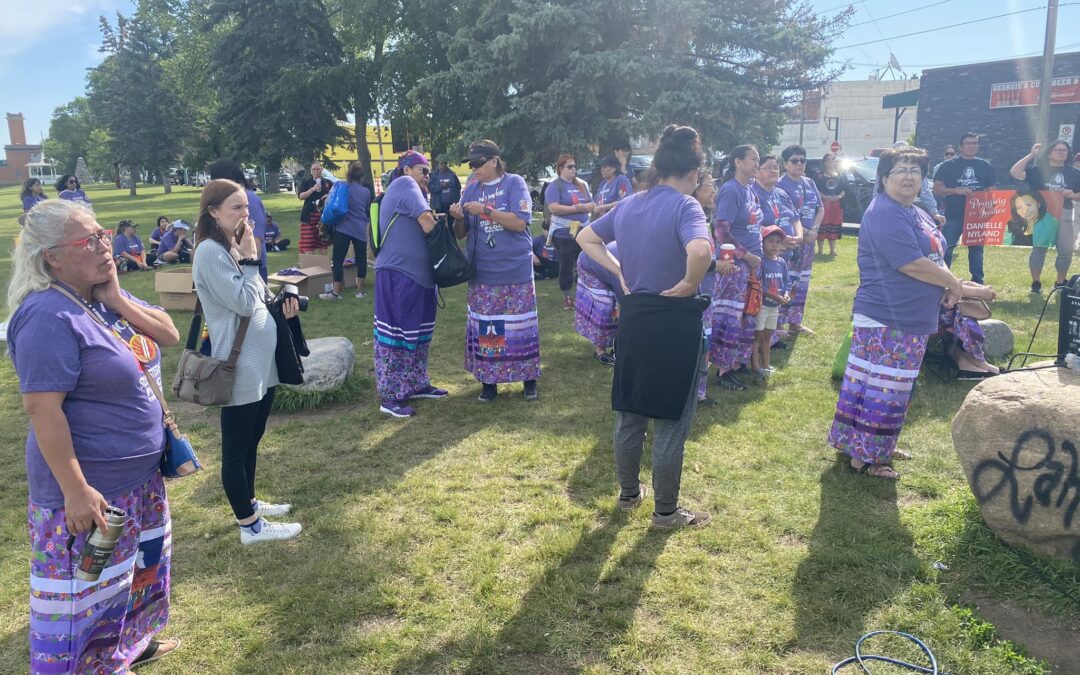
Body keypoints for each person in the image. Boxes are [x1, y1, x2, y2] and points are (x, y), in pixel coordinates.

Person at [8, 199, 182, 672]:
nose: (105, 246)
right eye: (88, 241)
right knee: (82, 601)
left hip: (140, 481)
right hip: (92, 492)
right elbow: (43, 410)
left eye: (103, 234)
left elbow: (168, 334)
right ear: (52, 258)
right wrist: (76, 491)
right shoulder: (47, 315)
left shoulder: (98, 299)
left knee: (133, 577)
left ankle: (126, 650)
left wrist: (119, 299)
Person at [577, 124, 714, 529]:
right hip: (674, 321)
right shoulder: (686, 206)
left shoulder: (631, 204)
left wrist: (619, 271)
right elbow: (701, 249)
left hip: (634, 318)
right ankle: (666, 512)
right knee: (671, 420)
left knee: (630, 412)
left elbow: (587, 237)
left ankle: (628, 494)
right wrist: (690, 283)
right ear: (693, 173)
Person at [830, 147, 987, 480]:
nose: (909, 176)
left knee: (889, 386)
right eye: (901, 169)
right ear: (884, 178)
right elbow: (910, 262)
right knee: (883, 387)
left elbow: (935, 257)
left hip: (911, 315)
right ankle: (868, 457)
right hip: (888, 316)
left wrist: (950, 284)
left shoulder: (916, 212)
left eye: (916, 171)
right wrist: (954, 285)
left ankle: (875, 445)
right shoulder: (884, 211)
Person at [192, 179, 302, 543]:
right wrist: (252, 258)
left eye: (246, 206)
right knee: (236, 449)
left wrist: (281, 307)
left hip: (260, 360)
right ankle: (249, 526)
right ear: (213, 212)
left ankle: (250, 502)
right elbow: (241, 302)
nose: (245, 214)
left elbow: (257, 297)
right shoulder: (210, 252)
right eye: (236, 207)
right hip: (236, 364)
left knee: (253, 437)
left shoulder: (231, 247)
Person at [451, 140, 540, 402]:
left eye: (478, 162)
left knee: (522, 327)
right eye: (470, 163)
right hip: (483, 272)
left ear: (494, 161)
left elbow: (519, 222)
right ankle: (489, 382)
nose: (474, 167)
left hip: (515, 269)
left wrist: (486, 210)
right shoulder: (470, 189)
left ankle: (529, 380)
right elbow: (461, 233)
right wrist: (458, 218)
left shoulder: (514, 183)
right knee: (489, 329)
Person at [373, 151, 448, 417]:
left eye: (429, 172)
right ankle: (391, 395)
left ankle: (416, 383)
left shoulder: (413, 191)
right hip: (398, 274)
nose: (428, 176)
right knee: (395, 335)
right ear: (406, 170)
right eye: (423, 171)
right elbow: (427, 223)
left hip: (418, 277)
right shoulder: (405, 185)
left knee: (419, 333)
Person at [709, 144, 762, 391]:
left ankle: (736, 362)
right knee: (729, 315)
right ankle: (722, 369)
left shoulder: (750, 190)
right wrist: (746, 254)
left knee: (746, 314)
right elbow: (721, 230)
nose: (757, 163)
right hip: (734, 265)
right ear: (738, 162)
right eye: (753, 159)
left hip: (750, 265)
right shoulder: (731, 190)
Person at [1009, 140, 1080, 291]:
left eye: (1065, 150)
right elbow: (1015, 172)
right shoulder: (1037, 171)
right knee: (1039, 249)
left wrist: (1073, 195)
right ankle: (1036, 283)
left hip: (1065, 214)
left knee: (1066, 250)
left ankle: (1060, 282)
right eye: (1058, 150)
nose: (1062, 152)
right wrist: (1032, 154)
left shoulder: (1074, 173)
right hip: (1042, 215)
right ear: (1049, 153)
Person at [933, 132, 996, 284]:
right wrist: (957, 191)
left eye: (974, 143)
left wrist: (989, 207)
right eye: (968, 143)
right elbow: (937, 189)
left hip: (977, 215)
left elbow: (992, 190)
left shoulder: (984, 165)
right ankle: (942, 278)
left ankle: (977, 281)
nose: (971, 146)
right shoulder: (948, 165)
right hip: (954, 213)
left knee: (976, 250)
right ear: (961, 146)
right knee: (946, 247)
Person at [777, 144, 822, 336]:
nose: (799, 164)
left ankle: (795, 322)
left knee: (802, 281)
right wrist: (803, 232)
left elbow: (820, 207)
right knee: (785, 280)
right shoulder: (780, 185)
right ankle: (778, 324)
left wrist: (814, 230)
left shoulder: (809, 182)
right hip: (790, 242)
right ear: (785, 164)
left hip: (809, 242)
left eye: (803, 161)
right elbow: (784, 214)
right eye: (794, 161)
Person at [545, 154, 595, 309]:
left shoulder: (582, 184)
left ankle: (586, 293)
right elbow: (553, 207)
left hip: (583, 230)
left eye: (574, 166)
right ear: (560, 169)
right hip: (564, 232)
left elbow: (592, 203)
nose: (574, 169)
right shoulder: (555, 186)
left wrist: (586, 207)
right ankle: (567, 296)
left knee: (586, 262)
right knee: (566, 264)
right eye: (570, 166)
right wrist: (574, 208)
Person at [693, 170, 725, 402]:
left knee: (705, 339)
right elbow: (695, 258)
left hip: (707, 290)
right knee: (700, 341)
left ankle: (699, 391)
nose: (713, 190)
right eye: (708, 185)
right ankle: (696, 392)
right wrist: (717, 266)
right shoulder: (693, 219)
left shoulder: (704, 218)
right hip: (697, 292)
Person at [320, 160, 373, 300]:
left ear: (348, 174)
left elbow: (333, 203)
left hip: (343, 228)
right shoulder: (366, 192)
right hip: (360, 228)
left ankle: (336, 292)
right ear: (361, 176)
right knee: (361, 260)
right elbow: (367, 208)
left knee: (338, 260)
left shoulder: (342, 186)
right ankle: (360, 291)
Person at [209, 158, 270, 280]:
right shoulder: (226, 201)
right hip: (234, 265)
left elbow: (256, 240)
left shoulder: (249, 199)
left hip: (251, 267)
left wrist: (252, 269)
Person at [752, 225, 791, 382]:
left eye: (778, 242)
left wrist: (786, 294)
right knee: (757, 336)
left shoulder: (781, 262)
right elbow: (758, 285)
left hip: (774, 307)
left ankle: (767, 365)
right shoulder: (761, 262)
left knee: (767, 336)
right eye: (770, 241)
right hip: (762, 305)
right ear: (763, 243)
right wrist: (775, 297)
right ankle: (755, 366)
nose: (774, 245)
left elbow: (787, 282)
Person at [574, 242, 622, 365]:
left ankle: (617, 346)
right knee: (605, 308)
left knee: (615, 310)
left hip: (607, 266)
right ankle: (600, 350)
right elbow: (623, 300)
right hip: (589, 264)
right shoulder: (624, 270)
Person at [1006, 190, 1061, 293]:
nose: (1024, 210)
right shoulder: (1013, 223)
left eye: (1028, 205)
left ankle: (1061, 282)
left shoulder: (1052, 221)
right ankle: (1036, 283)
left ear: (1038, 204)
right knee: (1037, 252)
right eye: (1019, 207)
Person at [813, 153, 846, 255]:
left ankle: (832, 250)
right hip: (823, 203)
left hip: (837, 205)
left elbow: (846, 188)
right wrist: (825, 197)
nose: (831, 161)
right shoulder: (818, 175)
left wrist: (839, 197)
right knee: (822, 224)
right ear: (824, 162)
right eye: (829, 159)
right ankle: (820, 250)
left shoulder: (841, 174)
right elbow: (815, 188)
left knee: (834, 225)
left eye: (833, 159)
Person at [297, 161, 333, 253]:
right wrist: (312, 189)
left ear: (321, 170)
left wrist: (327, 197)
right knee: (308, 243)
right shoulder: (306, 182)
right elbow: (301, 196)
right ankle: (310, 265)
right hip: (309, 215)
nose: (317, 171)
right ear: (311, 171)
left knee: (324, 243)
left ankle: (323, 265)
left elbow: (332, 196)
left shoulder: (327, 182)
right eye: (314, 169)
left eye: (318, 169)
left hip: (323, 215)